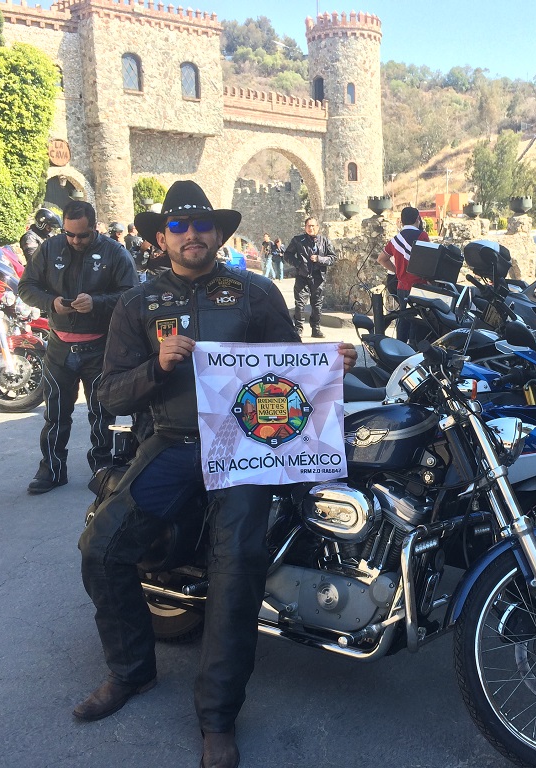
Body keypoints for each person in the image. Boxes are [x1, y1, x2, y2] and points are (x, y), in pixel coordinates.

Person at [74, 180, 356, 768]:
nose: (191, 234)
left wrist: (330, 366)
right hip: (172, 444)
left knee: (236, 575)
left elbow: (292, 368)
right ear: (160, 238)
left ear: (219, 233)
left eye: (202, 224)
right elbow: (107, 395)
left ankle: (217, 718)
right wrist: (157, 366)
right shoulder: (136, 305)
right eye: (178, 226)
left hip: (247, 449)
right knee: (102, 548)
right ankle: (131, 673)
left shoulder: (254, 295)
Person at [18, 199, 138, 494]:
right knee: (55, 414)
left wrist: (97, 303)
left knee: (102, 413)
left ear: (94, 227)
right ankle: (52, 469)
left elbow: (133, 296)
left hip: (100, 347)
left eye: (82, 235)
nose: (74, 241)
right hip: (59, 347)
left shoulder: (115, 252)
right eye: (69, 234)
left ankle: (101, 470)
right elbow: (26, 287)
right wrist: (51, 303)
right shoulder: (50, 248)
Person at [377, 206, 429, 343]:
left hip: (402, 285)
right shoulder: (422, 236)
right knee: (417, 319)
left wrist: (397, 271)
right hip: (419, 286)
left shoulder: (396, 240)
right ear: (418, 219)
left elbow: (381, 259)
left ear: (402, 220)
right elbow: (428, 261)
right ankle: (413, 348)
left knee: (403, 316)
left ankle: (400, 346)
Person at [283, 216, 336, 337]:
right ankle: (298, 329)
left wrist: (319, 259)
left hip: (318, 278)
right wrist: (298, 264)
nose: (311, 228)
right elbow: (287, 255)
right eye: (308, 226)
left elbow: (333, 258)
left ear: (317, 227)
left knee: (317, 305)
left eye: (313, 226)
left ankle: (316, 329)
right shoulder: (298, 240)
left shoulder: (324, 241)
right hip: (302, 277)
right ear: (305, 227)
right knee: (300, 304)